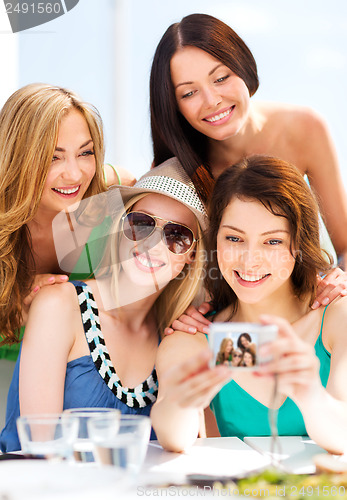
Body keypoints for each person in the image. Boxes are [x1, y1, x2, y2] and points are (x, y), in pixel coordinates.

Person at [0, 158, 208, 452]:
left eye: (177, 236)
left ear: (191, 255)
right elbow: (41, 451)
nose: (153, 243)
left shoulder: (175, 334)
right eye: (141, 224)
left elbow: (192, 444)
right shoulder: (59, 306)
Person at [151, 155, 347, 455]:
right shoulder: (196, 337)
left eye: (272, 242)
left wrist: (309, 391)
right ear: (215, 239)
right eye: (234, 238)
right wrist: (183, 397)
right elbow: (175, 437)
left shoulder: (337, 317)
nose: (249, 259)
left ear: (300, 243)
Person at [150, 13, 347, 268]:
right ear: (173, 106)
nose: (212, 101)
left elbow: (344, 247)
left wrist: (339, 283)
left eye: (221, 78)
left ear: (243, 67)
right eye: (189, 93)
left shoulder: (304, 128)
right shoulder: (173, 173)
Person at [0, 83, 135, 362]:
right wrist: (14, 314)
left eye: (85, 153)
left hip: (84, 369)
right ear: (18, 158)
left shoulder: (110, 193)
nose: (74, 175)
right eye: (53, 157)